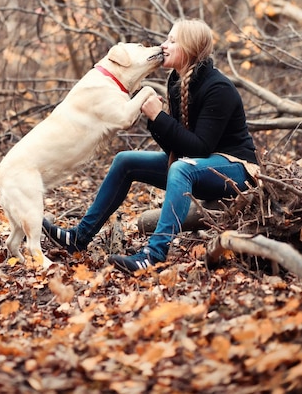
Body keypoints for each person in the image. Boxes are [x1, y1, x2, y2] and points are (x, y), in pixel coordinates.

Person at [42, 18, 259, 274]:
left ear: (188, 48)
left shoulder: (217, 88)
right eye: (166, 39)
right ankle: (79, 237)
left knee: (181, 169)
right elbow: (176, 150)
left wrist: (160, 117)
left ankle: (153, 255)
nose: (163, 45)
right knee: (126, 160)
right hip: (198, 166)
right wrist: (156, 120)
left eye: (172, 41)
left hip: (236, 171)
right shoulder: (176, 82)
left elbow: (199, 149)